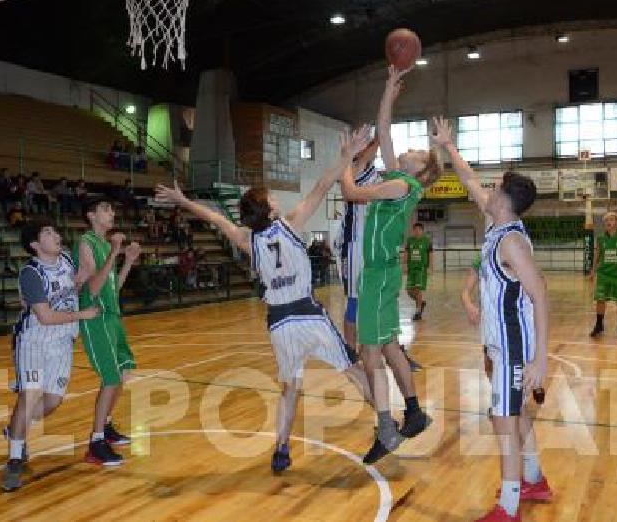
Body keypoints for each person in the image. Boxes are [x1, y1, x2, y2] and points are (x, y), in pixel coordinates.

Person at [155, 126, 376, 474]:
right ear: (270, 210)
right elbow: (321, 186)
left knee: (290, 388)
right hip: (307, 315)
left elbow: (213, 217)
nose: (276, 198)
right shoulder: (291, 223)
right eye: (271, 197)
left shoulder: (246, 240)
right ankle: (388, 424)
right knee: (354, 370)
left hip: (279, 324)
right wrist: (347, 155)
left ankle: (281, 450)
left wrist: (183, 201)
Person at [432, 116, 552, 522]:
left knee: (503, 423)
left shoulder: (513, 242)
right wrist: (449, 147)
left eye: (497, 187)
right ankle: (534, 480)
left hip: (514, 346)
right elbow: (468, 179)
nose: (490, 190)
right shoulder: (498, 223)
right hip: (502, 341)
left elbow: (540, 294)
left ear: (505, 200)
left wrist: (540, 360)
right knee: (513, 417)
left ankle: (510, 506)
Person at [338, 65, 441, 464]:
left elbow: (350, 193)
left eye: (414, 153)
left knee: (370, 353)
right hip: (380, 274)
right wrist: (387, 92)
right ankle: (413, 412)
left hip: (379, 275)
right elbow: (385, 132)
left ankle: (386, 428)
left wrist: (347, 159)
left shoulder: (402, 185)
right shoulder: (403, 179)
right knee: (387, 345)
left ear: (421, 170)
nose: (405, 151)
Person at [0, 222, 99, 491]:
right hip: (34, 340)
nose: (56, 235)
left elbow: (78, 282)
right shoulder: (31, 274)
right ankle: (14, 460)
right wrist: (83, 314)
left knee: (52, 402)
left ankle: (14, 428)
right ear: (34, 244)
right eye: (48, 233)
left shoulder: (66, 259)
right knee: (30, 396)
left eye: (56, 232)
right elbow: (44, 317)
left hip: (63, 341)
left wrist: (86, 272)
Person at [74, 197, 142, 466]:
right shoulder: (87, 243)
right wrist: (115, 252)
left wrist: (127, 261)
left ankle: (108, 425)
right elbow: (91, 289)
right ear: (91, 216)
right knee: (111, 377)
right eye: (106, 208)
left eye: (112, 207)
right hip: (96, 317)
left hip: (112, 315)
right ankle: (96, 442)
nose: (112, 212)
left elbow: (111, 288)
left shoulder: (105, 243)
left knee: (123, 371)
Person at [333, 136, 380, 357]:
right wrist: (379, 136)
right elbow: (364, 158)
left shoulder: (375, 174)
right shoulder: (351, 170)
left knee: (372, 300)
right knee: (354, 300)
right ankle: (350, 350)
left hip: (371, 243)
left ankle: (370, 348)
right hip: (354, 243)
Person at [404, 222, 433, 321]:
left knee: (417, 289)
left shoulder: (427, 241)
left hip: (421, 269)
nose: (417, 231)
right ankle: (420, 303)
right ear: (413, 231)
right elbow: (406, 253)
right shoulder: (409, 241)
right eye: (415, 230)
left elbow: (430, 254)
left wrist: (430, 267)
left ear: (422, 230)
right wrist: (404, 265)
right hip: (411, 269)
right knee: (409, 291)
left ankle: (418, 312)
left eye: (419, 230)